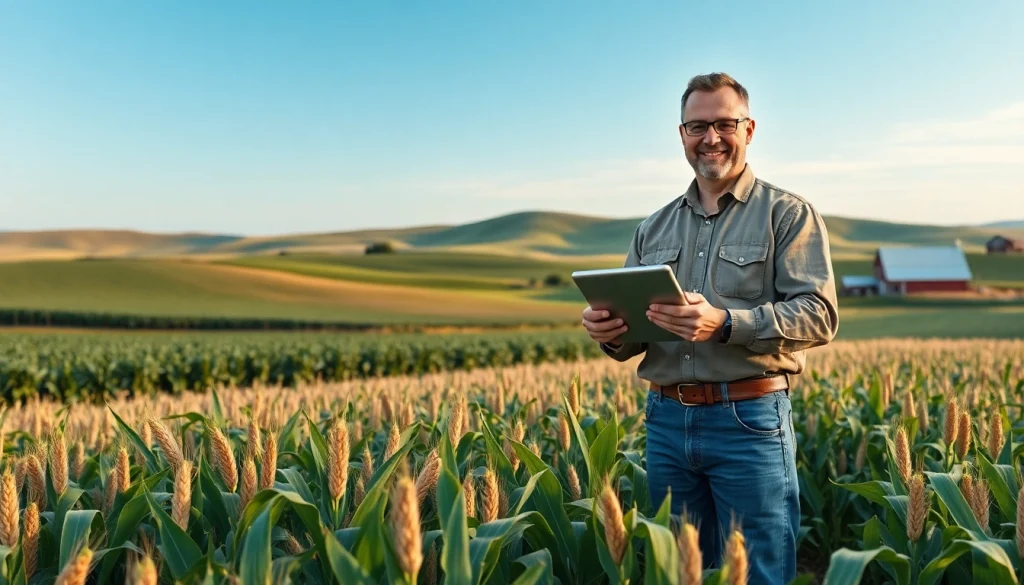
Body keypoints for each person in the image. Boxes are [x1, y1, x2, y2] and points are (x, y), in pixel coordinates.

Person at [581, 72, 839, 584]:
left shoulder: (786, 214)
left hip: (749, 420)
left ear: (749, 129)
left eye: (725, 123)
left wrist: (724, 323)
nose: (711, 138)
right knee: (679, 572)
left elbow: (819, 314)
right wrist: (609, 330)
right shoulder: (653, 227)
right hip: (666, 422)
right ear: (681, 135)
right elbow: (634, 336)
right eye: (698, 126)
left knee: (759, 569)